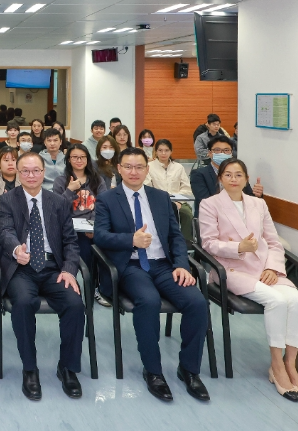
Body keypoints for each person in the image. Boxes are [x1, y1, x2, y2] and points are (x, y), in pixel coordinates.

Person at [94, 147, 211, 403]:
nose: (133, 172)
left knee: (197, 303)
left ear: (147, 169)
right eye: (128, 167)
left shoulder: (160, 197)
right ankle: (153, 371)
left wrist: (181, 265)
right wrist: (131, 240)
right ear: (119, 169)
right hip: (130, 266)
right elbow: (100, 236)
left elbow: (176, 236)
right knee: (148, 301)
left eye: (139, 167)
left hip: (164, 265)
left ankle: (189, 369)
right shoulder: (107, 199)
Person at [198, 158, 298, 402]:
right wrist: (239, 247)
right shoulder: (210, 204)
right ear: (220, 178)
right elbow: (208, 244)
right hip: (232, 269)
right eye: (228, 175)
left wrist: (272, 267)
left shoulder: (258, 204)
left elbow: (273, 241)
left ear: (246, 179)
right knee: (276, 302)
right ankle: (276, 367)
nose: (233, 179)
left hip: (264, 269)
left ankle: (290, 365)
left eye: (239, 175)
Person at [0, 151, 85, 401]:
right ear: (18, 173)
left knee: (75, 304)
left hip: (54, 268)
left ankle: (67, 368)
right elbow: (4, 231)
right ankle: (30, 368)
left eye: (36, 170)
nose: (31, 175)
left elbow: (70, 241)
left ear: (44, 173)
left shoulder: (58, 202)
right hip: (21, 268)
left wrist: (69, 269)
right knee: (24, 303)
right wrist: (16, 249)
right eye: (25, 171)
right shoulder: (8, 200)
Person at [52, 144, 109, 307]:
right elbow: (57, 209)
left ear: (87, 159)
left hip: (92, 228)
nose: (79, 160)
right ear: (68, 160)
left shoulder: (97, 180)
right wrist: (70, 190)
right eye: (74, 157)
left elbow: (103, 206)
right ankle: (77, 287)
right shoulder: (61, 181)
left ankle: (97, 288)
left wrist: (93, 225)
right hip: (69, 229)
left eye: (82, 157)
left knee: (100, 247)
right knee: (81, 246)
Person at [190, 135, 263, 217]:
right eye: (217, 150)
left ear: (231, 154)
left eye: (226, 150)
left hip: (238, 216)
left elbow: (248, 197)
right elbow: (205, 200)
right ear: (210, 153)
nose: (222, 153)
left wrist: (257, 195)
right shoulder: (199, 174)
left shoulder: (238, 173)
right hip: (211, 216)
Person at [145, 139, 194, 241]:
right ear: (156, 152)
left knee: (187, 214)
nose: (163, 153)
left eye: (166, 150)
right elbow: (148, 188)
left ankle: (186, 243)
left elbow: (186, 188)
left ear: (171, 151)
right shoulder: (149, 167)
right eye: (160, 150)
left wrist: (178, 202)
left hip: (178, 202)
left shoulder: (178, 167)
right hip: (157, 203)